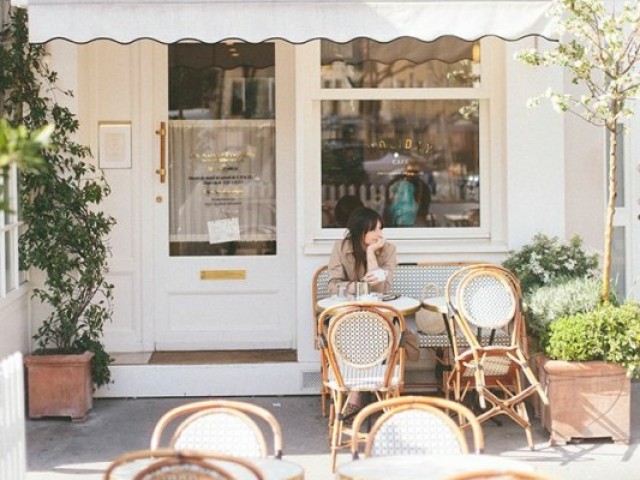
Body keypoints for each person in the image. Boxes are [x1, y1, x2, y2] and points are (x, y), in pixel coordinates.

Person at [327, 206, 397, 298]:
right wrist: (360, 285)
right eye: (372, 230)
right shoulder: (341, 248)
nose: (379, 234)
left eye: (380, 229)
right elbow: (333, 288)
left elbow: (380, 290)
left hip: (377, 307)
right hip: (348, 306)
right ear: (358, 231)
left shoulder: (389, 249)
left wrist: (371, 252)